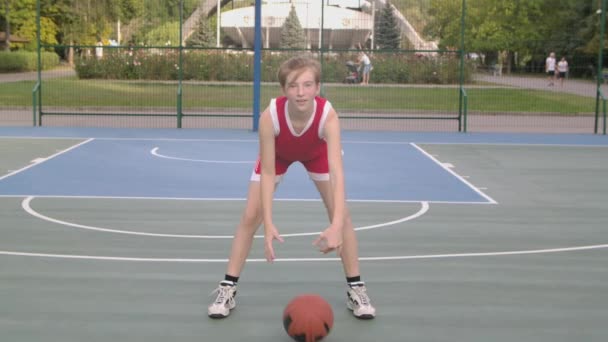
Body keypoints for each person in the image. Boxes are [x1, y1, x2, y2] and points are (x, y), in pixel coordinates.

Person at [207, 55, 376, 320]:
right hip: (279, 155)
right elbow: (268, 170)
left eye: (308, 85)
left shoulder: (328, 116)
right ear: (284, 90)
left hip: (316, 154)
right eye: (294, 86)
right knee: (251, 215)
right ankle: (227, 287)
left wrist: (335, 225)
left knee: (343, 218)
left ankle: (356, 288)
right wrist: (269, 222)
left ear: (317, 88)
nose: (301, 92)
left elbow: (337, 172)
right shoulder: (270, 116)